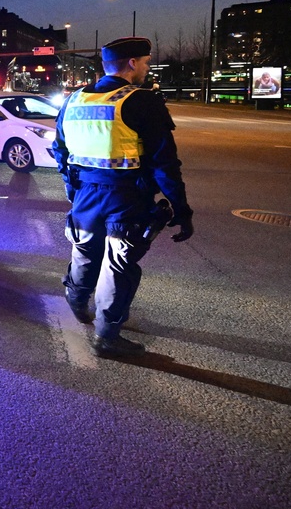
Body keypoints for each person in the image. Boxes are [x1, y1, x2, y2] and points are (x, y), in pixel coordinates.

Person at [53, 36, 195, 358]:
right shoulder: (143, 101)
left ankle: (76, 299)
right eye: (145, 62)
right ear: (132, 63)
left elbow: (59, 150)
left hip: (85, 194)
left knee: (85, 251)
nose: (147, 68)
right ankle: (106, 338)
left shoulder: (74, 100)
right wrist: (181, 209)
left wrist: (73, 190)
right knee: (118, 266)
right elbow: (164, 164)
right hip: (127, 197)